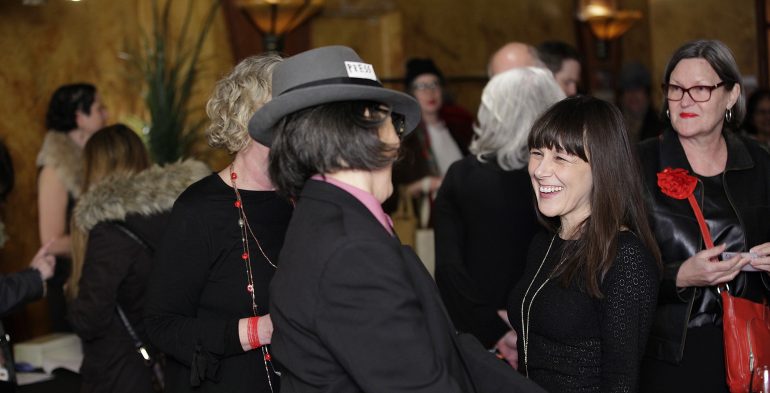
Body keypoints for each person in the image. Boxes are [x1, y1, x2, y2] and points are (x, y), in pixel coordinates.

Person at [253, 45, 544, 393]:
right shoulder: (351, 250)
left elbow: (433, 341)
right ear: (366, 126)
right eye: (394, 119)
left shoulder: (332, 218)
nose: (399, 138)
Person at [144, 53, 293, 393]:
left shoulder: (304, 199)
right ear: (249, 117)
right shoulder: (200, 209)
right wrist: (262, 330)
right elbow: (161, 325)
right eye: (286, 110)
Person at [638, 39, 770, 393]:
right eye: (676, 89)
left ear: (731, 95)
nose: (685, 100)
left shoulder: (759, 162)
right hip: (671, 351)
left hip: (750, 341)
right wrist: (678, 277)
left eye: (700, 89)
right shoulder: (638, 164)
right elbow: (606, 266)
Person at [507, 96, 661, 392]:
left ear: (602, 167)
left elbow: (622, 382)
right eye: (537, 153)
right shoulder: (545, 244)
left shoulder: (624, 257)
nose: (540, 170)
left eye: (561, 158)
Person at [434, 67, 565, 361]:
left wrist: (495, 329)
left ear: (491, 113)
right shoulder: (568, 177)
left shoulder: (461, 176)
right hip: (554, 333)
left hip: (480, 341)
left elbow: (448, 269)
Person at [67, 124, 209, 393]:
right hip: (173, 365)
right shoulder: (177, 213)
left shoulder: (109, 232)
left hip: (121, 373)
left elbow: (90, 318)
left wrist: (71, 301)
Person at [37, 83, 107, 332]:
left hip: (97, 279)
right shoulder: (56, 169)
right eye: (100, 108)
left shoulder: (93, 159)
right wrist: (105, 239)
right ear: (79, 116)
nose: (106, 115)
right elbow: (51, 242)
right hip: (72, 287)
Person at [386, 58, 474, 219]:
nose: (429, 92)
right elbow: (391, 192)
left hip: (466, 212)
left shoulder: (459, 128)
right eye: (421, 87)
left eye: (434, 84)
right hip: (429, 222)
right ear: (411, 93)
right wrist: (425, 185)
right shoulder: (404, 138)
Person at [617, 62, 666, 143]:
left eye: (638, 89)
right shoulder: (614, 126)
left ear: (647, 94)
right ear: (621, 96)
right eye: (628, 89)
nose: (633, 94)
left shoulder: (661, 126)